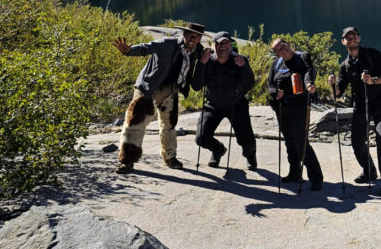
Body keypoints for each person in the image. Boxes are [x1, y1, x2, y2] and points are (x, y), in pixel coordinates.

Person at [112, 22, 206, 174]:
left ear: (200, 39)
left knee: (169, 125)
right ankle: (127, 161)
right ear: (184, 34)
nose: (192, 39)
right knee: (135, 123)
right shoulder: (166, 44)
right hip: (148, 87)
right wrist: (128, 51)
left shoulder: (198, 51)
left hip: (170, 90)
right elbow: (145, 48)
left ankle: (170, 157)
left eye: (196, 36)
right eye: (190, 35)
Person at [327, 26, 381, 196]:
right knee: (356, 142)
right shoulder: (345, 65)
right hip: (360, 107)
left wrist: (372, 80)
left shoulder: (374, 55)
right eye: (348, 38)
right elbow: (338, 93)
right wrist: (332, 84)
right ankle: (370, 171)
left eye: (354, 36)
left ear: (359, 38)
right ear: (343, 42)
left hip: (379, 105)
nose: (352, 40)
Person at [190, 31, 257, 170]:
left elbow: (250, 84)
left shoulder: (239, 60)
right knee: (201, 138)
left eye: (225, 43)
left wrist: (243, 67)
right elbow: (196, 86)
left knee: (247, 141)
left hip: (237, 104)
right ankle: (218, 150)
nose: (222, 46)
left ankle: (250, 156)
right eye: (219, 43)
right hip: (213, 105)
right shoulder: (206, 61)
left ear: (230, 45)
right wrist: (201, 64)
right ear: (213, 45)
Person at [267, 38, 323, 190]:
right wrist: (275, 93)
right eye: (278, 49)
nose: (282, 49)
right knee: (289, 141)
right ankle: (295, 173)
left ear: (288, 43)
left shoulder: (302, 57)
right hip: (282, 107)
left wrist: (309, 84)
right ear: (277, 53)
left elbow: (308, 72)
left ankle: (316, 178)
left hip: (299, 106)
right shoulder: (276, 64)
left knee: (301, 141)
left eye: (283, 45)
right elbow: (270, 84)